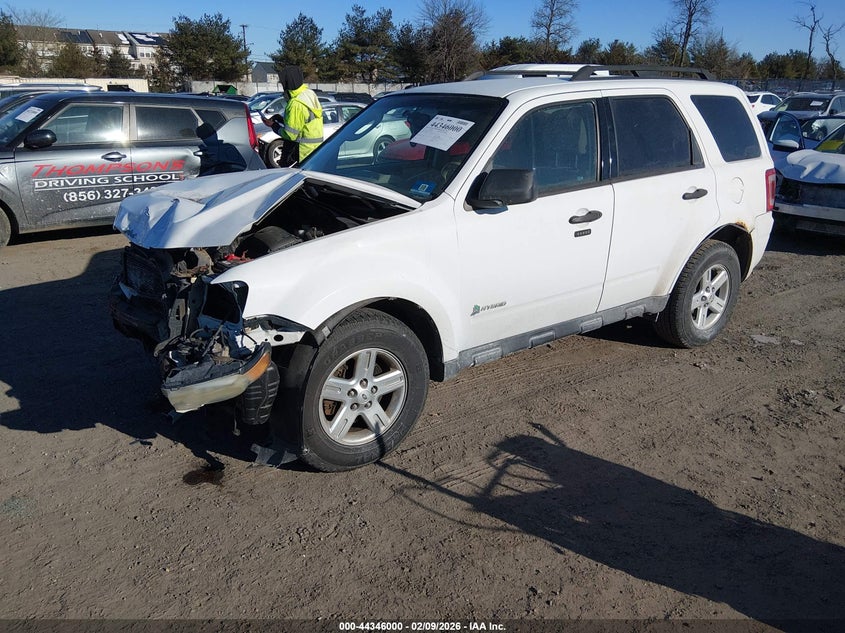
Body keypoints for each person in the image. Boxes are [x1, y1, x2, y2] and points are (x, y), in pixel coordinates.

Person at [262, 65, 324, 166]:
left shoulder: (295, 103)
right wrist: (281, 119)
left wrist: (273, 125)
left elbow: (290, 134)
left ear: (288, 82)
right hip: (314, 149)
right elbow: (303, 122)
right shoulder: (309, 93)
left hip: (301, 151)